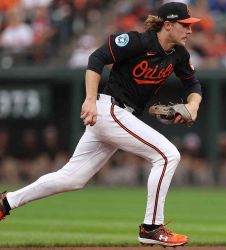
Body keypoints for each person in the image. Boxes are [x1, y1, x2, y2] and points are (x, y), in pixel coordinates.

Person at [0, 2, 202, 247]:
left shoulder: (179, 54)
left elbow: (193, 85)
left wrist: (193, 106)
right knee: (168, 155)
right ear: (168, 25)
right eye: (185, 25)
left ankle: (6, 203)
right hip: (110, 110)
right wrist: (89, 100)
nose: (190, 30)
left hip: (121, 116)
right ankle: (151, 228)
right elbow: (97, 58)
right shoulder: (138, 42)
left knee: (72, 178)